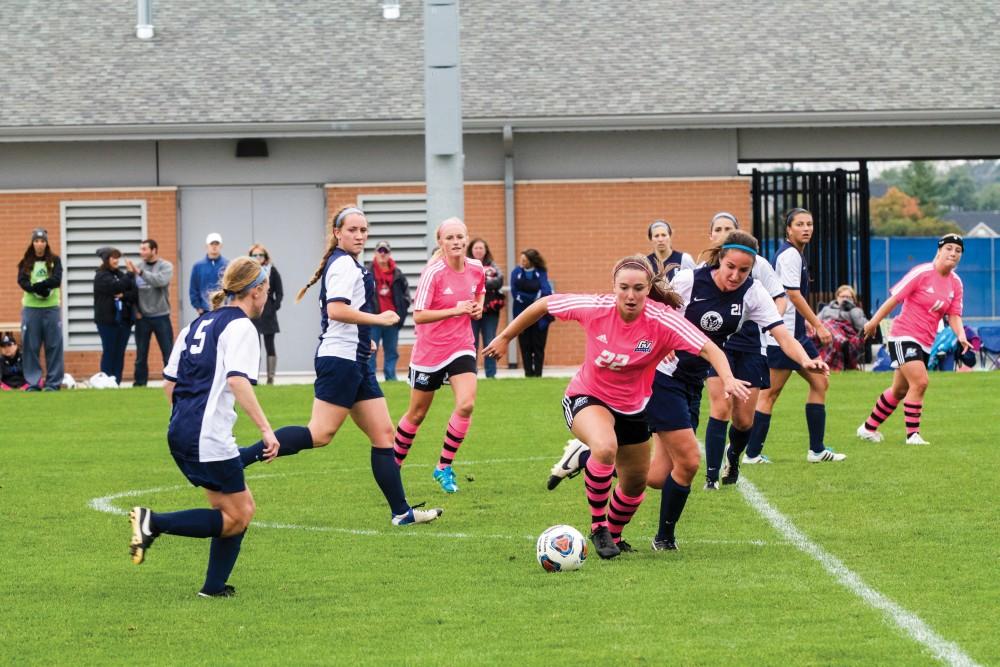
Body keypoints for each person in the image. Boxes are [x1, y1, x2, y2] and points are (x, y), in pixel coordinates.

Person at [486, 255, 746, 559]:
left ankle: (615, 532)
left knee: (637, 483)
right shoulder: (595, 308)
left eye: (638, 288)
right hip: (586, 397)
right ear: (614, 287)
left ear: (648, 289)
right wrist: (505, 337)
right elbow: (545, 304)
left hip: (634, 409)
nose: (631, 295)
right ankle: (598, 528)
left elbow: (709, 347)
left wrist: (727, 378)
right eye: (624, 288)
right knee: (606, 446)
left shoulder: (663, 319)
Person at [128, 256, 280, 597]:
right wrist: (267, 430)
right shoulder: (241, 327)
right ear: (255, 291)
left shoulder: (196, 325)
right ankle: (152, 522)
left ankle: (213, 588)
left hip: (180, 432)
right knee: (240, 514)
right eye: (266, 291)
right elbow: (238, 381)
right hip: (206, 437)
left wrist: (187, 420)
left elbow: (170, 385)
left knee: (228, 510)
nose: (267, 297)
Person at [293, 205, 442, 525]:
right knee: (320, 434)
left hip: (356, 360)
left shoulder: (346, 263)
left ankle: (402, 513)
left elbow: (342, 314)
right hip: (341, 361)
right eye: (352, 230)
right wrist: (378, 320)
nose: (359, 235)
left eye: (363, 231)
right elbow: (336, 310)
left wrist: (366, 337)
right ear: (337, 233)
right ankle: (243, 457)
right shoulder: (344, 265)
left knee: (384, 435)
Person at [743, 208, 846, 464]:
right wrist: (818, 325)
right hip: (785, 337)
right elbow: (793, 294)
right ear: (788, 229)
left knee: (820, 383)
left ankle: (816, 450)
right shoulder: (790, 255)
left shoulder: (795, 253)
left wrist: (805, 325)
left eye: (809, 224)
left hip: (795, 333)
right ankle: (752, 454)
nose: (806, 228)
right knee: (770, 394)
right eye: (799, 224)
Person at [393, 218, 486, 494]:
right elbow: (419, 316)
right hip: (430, 351)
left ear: (466, 239)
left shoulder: (477, 268)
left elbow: (479, 292)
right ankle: (393, 466)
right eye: (450, 238)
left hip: (461, 345)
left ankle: (443, 466)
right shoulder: (433, 273)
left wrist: (477, 308)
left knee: (466, 404)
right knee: (417, 414)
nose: (456, 242)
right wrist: (456, 310)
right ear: (441, 243)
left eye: (460, 237)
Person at [857, 234, 967, 445]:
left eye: (958, 251)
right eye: (949, 248)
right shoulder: (922, 272)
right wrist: (873, 323)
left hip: (926, 341)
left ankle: (867, 428)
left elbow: (954, 314)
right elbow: (894, 300)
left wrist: (961, 335)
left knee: (899, 390)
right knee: (921, 381)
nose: (953, 253)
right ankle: (912, 435)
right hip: (903, 335)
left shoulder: (956, 283)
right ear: (939, 251)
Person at [703, 212, 788, 480]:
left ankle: (733, 458)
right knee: (720, 407)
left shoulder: (758, 264)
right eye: (719, 228)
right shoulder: (702, 269)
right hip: (720, 345)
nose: (724, 232)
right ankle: (711, 476)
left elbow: (781, 298)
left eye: (729, 228)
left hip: (752, 345)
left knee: (743, 420)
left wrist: (770, 323)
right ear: (713, 236)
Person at [16, 228, 64, 391]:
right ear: (32, 242)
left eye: (42, 241)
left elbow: (57, 279)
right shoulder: (26, 262)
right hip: (31, 308)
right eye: (36, 241)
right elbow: (22, 281)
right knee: (30, 346)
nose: (39, 244)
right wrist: (34, 289)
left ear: (46, 242)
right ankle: (33, 382)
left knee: (54, 345)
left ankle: (53, 383)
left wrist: (42, 286)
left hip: (51, 309)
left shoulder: (54, 261)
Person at [126, 239, 174, 387]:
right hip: (143, 318)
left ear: (154, 250)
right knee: (141, 354)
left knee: (168, 353)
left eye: (145, 249)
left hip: (161, 316)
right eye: (141, 249)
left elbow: (159, 281)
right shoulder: (138, 267)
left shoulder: (165, 266)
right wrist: (136, 311)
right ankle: (140, 383)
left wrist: (139, 272)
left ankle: (172, 381)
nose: (142, 252)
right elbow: (131, 292)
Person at [366, 240, 410, 381]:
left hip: (391, 320)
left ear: (389, 253)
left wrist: (401, 314)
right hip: (373, 319)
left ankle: (390, 378)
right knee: (371, 350)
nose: (383, 254)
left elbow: (406, 296)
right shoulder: (367, 272)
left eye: (385, 251)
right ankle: (370, 378)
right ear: (375, 253)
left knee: (391, 351)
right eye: (380, 251)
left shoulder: (398, 273)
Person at [93, 247, 137, 386]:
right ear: (106, 260)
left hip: (123, 321)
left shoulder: (120, 274)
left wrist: (124, 295)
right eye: (113, 258)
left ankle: (116, 381)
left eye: (117, 257)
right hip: (107, 321)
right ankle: (105, 381)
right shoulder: (101, 276)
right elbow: (116, 287)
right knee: (109, 351)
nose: (116, 260)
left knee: (120, 353)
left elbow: (133, 292)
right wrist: (129, 276)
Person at [510, 248, 552, 377]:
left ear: (531, 261)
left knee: (538, 344)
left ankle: (538, 374)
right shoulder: (516, 272)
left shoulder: (541, 272)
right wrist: (530, 298)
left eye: (524, 260)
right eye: (521, 259)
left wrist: (533, 300)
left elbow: (545, 291)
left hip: (540, 315)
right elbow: (514, 291)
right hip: (521, 312)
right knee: (525, 344)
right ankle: (528, 373)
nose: (521, 262)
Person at [468, 238, 504, 378]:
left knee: (490, 341)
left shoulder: (493, 265)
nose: (478, 251)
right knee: (472, 342)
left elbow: (499, 281)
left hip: (490, 311)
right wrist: (484, 282)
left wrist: (479, 283)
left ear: (486, 250)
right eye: (476, 248)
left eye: (481, 248)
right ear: (471, 249)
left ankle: (491, 374)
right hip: (471, 310)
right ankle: (471, 373)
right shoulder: (466, 265)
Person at [248, 244, 283, 384]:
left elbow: (279, 292)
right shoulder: (248, 272)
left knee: (270, 345)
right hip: (253, 312)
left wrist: (274, 306)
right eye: (254, 255)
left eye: (260, 255)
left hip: (268, 312)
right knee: (254, 345)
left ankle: (270, 378)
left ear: (265, 257)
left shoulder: (272, 271)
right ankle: (253, 377)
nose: (258, 258)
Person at [814, 284, 869, 371]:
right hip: (825, 334)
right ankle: (841, 342)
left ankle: (841, 342)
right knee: (828, 323)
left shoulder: (856, 310)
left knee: (831, 326)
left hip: (847, 334)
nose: (845, 299)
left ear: (853, 299)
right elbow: (815, 322)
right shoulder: (826, 309)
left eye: (848, 297)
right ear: (837, 297)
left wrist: (853, 310)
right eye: (843, 296)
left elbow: (863, 327)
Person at [189, 232, 228, 317]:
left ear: (221, 246)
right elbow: (193, 289)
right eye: (212, 244)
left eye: (217, 244)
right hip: (205, 311)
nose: (214, 246)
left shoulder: (228, 265)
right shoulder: (198, 266)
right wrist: (198, 307)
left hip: (223, 309)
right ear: (206, 246)